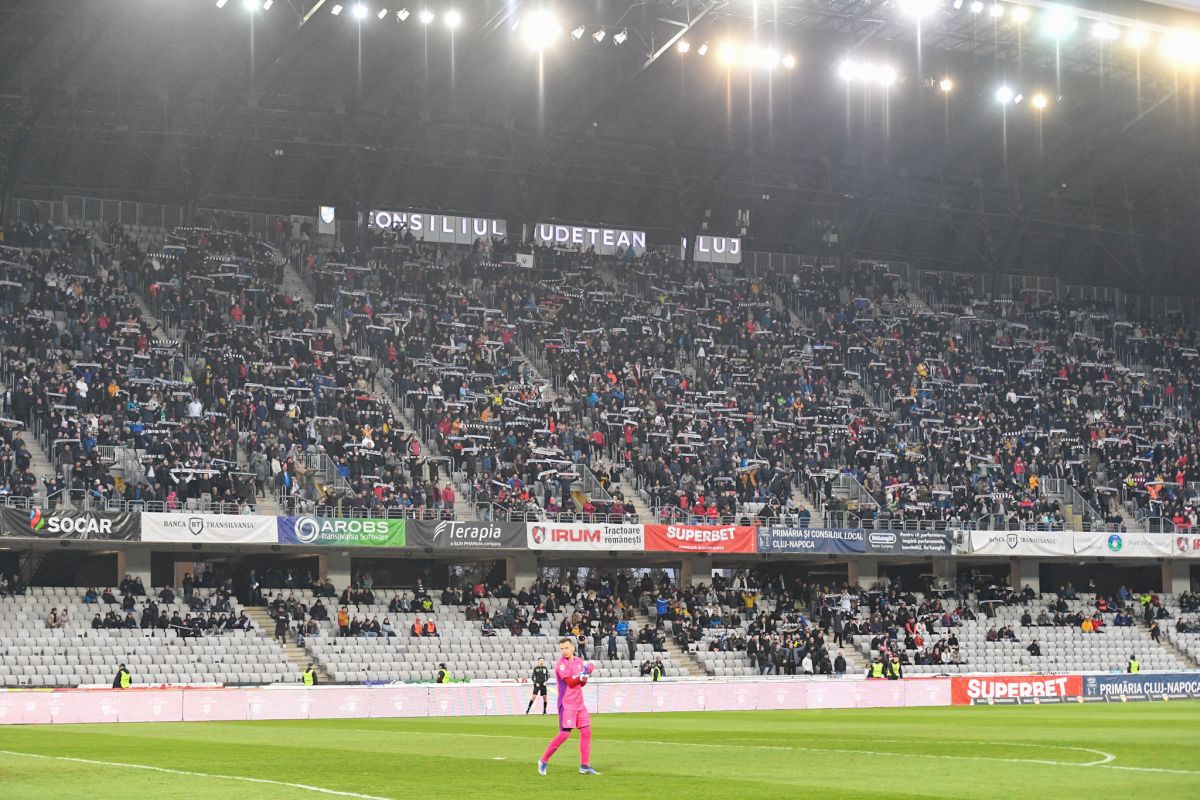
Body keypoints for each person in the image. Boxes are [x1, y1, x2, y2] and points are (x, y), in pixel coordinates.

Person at [538, 637, 599, 776]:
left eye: (566, 648)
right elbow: (571, 683)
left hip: (579, 703)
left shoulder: (578, 661)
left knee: (586, 732)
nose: (564, 651)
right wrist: (584, 673)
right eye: (562, 649)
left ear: (572, 647)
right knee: (565, 734)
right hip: (567, 704)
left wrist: (586, 674)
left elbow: (581, 684)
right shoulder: (561, 665)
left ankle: (584, 765)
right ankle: (543, 760)